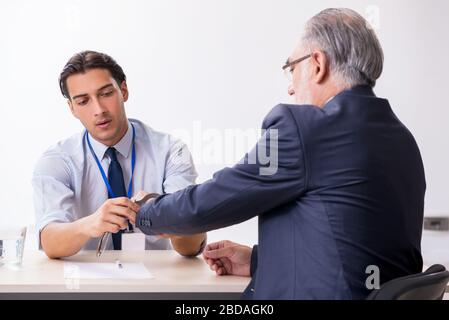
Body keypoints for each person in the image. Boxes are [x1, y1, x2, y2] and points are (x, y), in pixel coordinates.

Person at [136, 8, 426, 299]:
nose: (290, 87)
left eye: (291, 68)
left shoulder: (305, 130)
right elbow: (360, 241)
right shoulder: (402, 139)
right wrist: (258, 261)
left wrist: (146, 211)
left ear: (317, 64)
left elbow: (213, 202)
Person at [32, 51, 206, 259]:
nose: (98, 110)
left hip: (157, 284)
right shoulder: (56, 161)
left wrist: (168, 215)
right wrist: (89, 224)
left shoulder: (171, 151)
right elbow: (50, 242)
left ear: (123, 90)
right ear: (72, 108)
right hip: (86, 286)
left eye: (106, 94)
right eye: (83, 101)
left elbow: (191, 248)